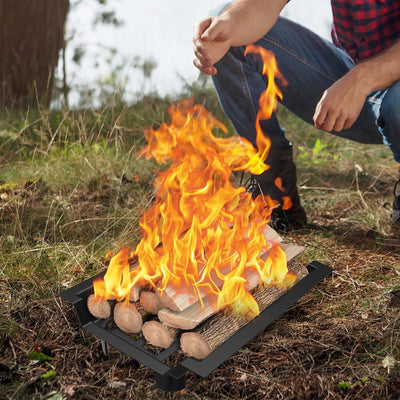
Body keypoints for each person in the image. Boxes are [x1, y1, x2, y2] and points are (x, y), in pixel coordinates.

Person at [192, 0, 400, 230]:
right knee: (229, 33)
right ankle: (275, 194)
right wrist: (227, 25)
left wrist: (362, 80)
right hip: (352, 81)